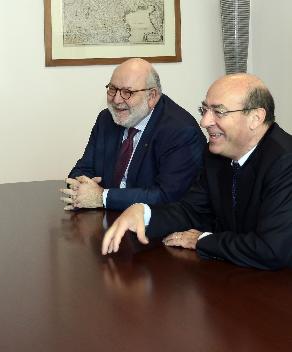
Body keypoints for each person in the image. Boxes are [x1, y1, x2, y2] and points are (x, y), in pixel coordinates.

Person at [101, 73, 292, 270]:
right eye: (205, 110)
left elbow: (272, 250)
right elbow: (191, 210)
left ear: (256, 118)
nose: (204, 121)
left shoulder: (285, 162)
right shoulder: (216, 155)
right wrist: (143, 212)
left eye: (219, 112)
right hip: (235, 278)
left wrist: (202, 240)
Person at [61, 58, 206, 211]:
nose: (116, 100)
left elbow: (167, 196)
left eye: (127, 92)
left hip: (155, 226)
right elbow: (83, 168)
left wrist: (102, 197)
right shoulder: (107, 118)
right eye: (112, 89)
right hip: (109, 216)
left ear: (152, 96)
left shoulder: (179, 130)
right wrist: (82, 188)